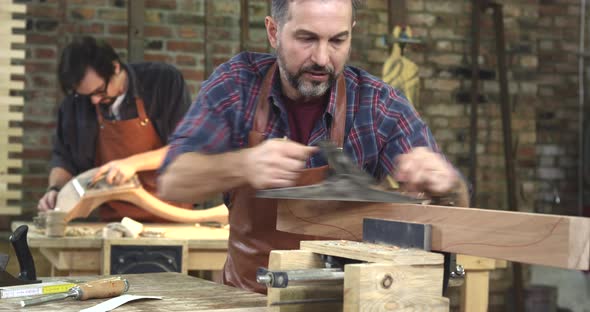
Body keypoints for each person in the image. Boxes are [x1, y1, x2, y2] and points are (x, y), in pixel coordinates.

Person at [158, 0, 469, 293]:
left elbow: (458, 210)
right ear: (273, 32)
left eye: (337, 41)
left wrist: (446, 184)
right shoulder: (237, 84)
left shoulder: (378, 105)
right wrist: (243, 165)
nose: (322, 58)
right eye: (306, 39)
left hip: (347, 300)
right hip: (249, 298)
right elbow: (172, 181)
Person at [37, 36, 193, 222]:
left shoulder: (162, 81)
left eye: (99, 91)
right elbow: (64, 159)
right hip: (115, 220)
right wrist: (55, 190)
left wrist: (132, 163)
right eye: (86, 95)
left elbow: (185, 147)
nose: (94, 100)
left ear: (115, 67)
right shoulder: (75, 104)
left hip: (173, 212)